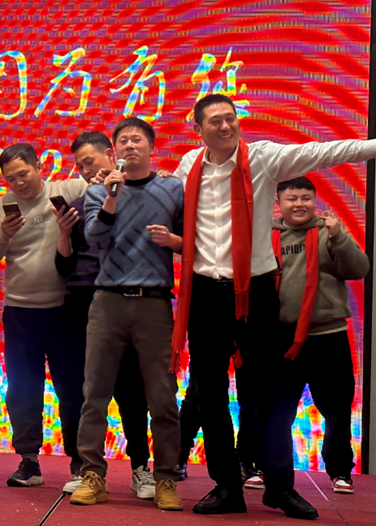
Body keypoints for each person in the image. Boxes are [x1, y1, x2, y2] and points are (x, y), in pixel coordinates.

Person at [172, 93, 376, 518]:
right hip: (206, 293)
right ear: (197, 129)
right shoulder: (188, 166)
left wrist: (372, 147)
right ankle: (226, 486)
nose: (225, 126)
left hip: (257, 291)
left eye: (230, 118)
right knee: (210, 395)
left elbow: (326, 152)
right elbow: (167, 206)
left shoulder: (263, 157)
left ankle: (279, 487)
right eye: (215, 121)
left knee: (269, 395)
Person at [69, 118, 184, 511]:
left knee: (163, 396)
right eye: (123, 141)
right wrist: (111, 198)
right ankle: (92, 475)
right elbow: (94, 239)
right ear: (113, 151)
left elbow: (191, 241)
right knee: (95, 394)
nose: (130, 145)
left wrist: (174, 240)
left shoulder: (172, 188)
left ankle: (166, 478)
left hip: (154, 303)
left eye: (137, 140)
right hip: (108, 301)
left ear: (151, 147)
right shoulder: (98, 191)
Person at [0, 143, 86, 489]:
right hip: (21, 312)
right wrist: (3, 233)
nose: (19, 183)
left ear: (39, 166)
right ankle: (28, 461)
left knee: (73, 389)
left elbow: (102, 189)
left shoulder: (69, 190)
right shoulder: (0, 208)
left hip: (65, 310)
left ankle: (81, 462)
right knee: (23, 389)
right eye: (11, 179)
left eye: (23, 174)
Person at [53, 131, 154, 498]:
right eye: (79, 165)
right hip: (80, 301)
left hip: (123, 299)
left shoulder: (142, 195)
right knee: (78, 390)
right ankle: (84, 467)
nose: (84, 170)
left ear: (111, 156)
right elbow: (63, 268)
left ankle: (141, 467)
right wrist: (64, 234)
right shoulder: (77, 205)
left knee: (131, 388)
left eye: (90, 162)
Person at [265, 177, 369, 495]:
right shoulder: (266, 236)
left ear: (314, 201)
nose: (299, 204)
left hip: (328, 336)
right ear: (278, 203)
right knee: (276, 410)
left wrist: (339, 235)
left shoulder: (329, 231)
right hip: (282, 338)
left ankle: (340, 471)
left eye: (306, 198)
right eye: (292, 198)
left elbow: (359, 269)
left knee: (337, 409)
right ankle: (268, 469)